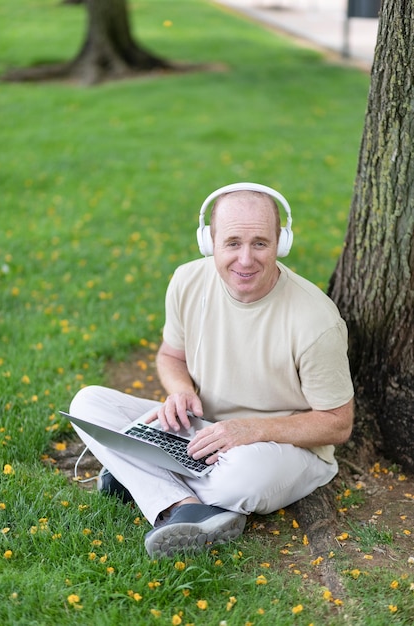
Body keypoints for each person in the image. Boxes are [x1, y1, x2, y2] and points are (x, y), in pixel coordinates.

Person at [69, 182, 354, 559]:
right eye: (233, 243)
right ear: (210, 242)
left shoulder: (315, 320)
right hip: (203, 433)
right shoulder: (187, 280)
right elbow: (171, 356)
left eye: (260, 243)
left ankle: (139, 476)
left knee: (243, 480)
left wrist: (250, 430)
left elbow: (338, 423)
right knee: (87, 404)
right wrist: (180, 390)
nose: (246, 259)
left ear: (280, 243)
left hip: (277, 449)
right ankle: (185, 504)